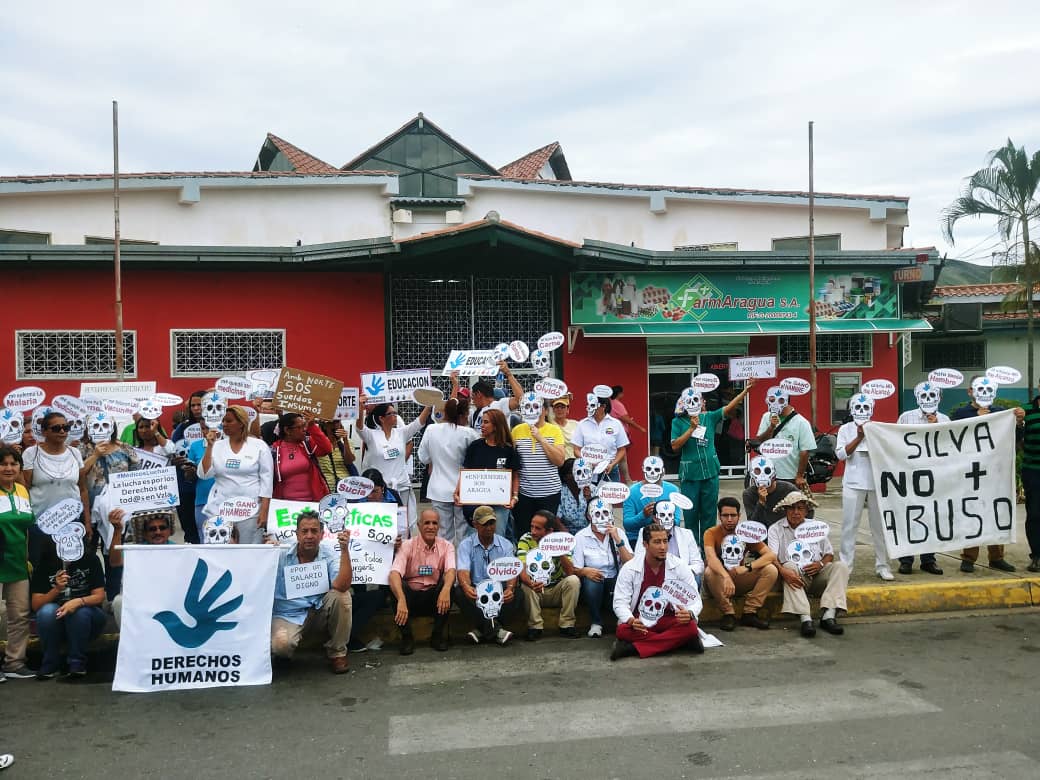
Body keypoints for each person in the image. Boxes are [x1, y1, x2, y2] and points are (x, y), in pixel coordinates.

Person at [269, 510, 353, 674]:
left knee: (342, 596)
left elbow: (342, 585)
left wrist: (344, 550)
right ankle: (284, 655)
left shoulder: (330, 554)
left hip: (317, 611)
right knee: (280, 646)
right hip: (288, 615)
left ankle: (338, 653)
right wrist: (263, 553)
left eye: (314, 531)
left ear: (322, 534)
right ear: (297, 534)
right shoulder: (279, 554)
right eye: (304, 531)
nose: (309, 536)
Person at [671, 381, 754, 544]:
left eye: (698, 400)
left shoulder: (709, 417)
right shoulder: (678, 422)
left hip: (710, 473)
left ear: (703, 402)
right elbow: (675, 446)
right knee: (690, 514)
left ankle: (708, 548)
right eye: (691, 401)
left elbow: (729, 408)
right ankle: (692, 549)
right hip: (690, 476)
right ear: (684, 403)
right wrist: (691, 429)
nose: (695, 404)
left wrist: (745, 391)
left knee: (709, 514)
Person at [953, 377, 1020, 573]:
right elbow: (953, 439)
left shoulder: (1000, 413)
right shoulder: (960, 414)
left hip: (994, 472)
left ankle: (997, 557)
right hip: (969, 471)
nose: (982, 392)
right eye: (978, 389)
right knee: (971, 511)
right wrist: (978, 418)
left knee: (996, 511)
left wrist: (1018, 422)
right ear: (970, 391)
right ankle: (968, 558)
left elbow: (1014, 440)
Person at [611, 524, 703, 660]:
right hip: (640, 620)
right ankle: (679, 642)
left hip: (669, 618)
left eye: (665, 541)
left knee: (690, 628)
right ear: (645, 544)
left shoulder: (679, 566)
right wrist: (630, 620)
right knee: (622, 630)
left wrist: (689, 613)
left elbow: (695, 600)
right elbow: (619, 602)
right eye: (657, 542)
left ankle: (632, 648)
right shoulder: (630, 568)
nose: (663, 547)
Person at [767, 491, 849, 638]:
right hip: (794, 576)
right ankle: (805, 618)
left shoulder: (815, 527)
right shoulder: (776, 529)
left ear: (806, 510)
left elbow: (829, 554)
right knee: (789, 566)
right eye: (791, 508)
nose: (796, 512)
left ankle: (829, 616)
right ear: (785, 510)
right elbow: (772, 557)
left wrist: (821, 564)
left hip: (817, 576)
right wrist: (783, 571)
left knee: (841, 567)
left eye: (800, 508)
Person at [836, 394, 894, 581]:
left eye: (865, 407)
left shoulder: (877, 428)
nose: (862, 411)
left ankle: (882, 565)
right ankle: (846, 566)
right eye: (858, 407)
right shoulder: (845, 429)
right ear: (852, 409)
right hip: (853, 482)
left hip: (876, 483)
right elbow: (841, 455)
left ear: (872, 409)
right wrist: (859, 437)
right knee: (849, 527)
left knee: (879, 527)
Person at [30, 536, 106, 678]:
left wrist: (78, 602)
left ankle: (77, 662)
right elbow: (36, 605)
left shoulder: (90, 559)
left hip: (88, 617)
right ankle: (50, 663)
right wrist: (57, 589)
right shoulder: (44, 565)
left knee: (79, 613)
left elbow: (99, 596)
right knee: (46, 612)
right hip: (56, 620)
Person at [21, 411, 89, 565]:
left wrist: (87, 522)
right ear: (45, 431)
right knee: (41, 567)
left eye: (66, 427)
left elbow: (83, 489)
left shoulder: (75, 453)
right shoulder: (31, 453)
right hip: (40, 523)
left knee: (71, 567)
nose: (63, 431)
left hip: (71, 521)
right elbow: (25, 488)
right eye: (57, 428)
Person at [894, 383, 948, 575]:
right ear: (917, 397)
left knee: (931, 517)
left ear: (939, 397)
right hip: (910, 475)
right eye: (923, 395)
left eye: (932, 394)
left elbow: (949, 448)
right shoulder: (905, 417)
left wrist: (937, 427)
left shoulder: (945, 420)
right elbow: (895, 443)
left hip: (934, 476)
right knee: (909, 516)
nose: (928, 398)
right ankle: (906, 559)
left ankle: (928, 559)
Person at [357, 397, 431, 536]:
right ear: (381, 418)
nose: (395, 416)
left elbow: (419, 422)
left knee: (402, 527)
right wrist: (360, 409)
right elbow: (359, 427)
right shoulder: (372, 436)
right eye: (391, 414)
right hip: (380, 493)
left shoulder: (401, 433)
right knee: (381, 527)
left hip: (401, 488)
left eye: (395, 413)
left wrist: (429, 403)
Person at [199, 405, 273, 545]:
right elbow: (204, 474)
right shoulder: (217, 445)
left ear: (241, 423)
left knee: (249, 552)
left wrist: (264, 510)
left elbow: (267, 480)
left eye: (229, 421)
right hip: (221, 508)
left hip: (250, 510)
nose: (224, 424)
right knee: (221, 552)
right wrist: (209, 447)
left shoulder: (259, 446)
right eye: (223, 421)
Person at [702, 497, 777, 630]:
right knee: (709, 571)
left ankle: (750, 612)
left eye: (733, 515)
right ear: (719, 516)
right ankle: (728, 613)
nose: (729, 519)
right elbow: (710, 558)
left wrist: (747, 567)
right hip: (718, 582)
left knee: (770, 570)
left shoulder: (746, 533)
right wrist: (725, 576)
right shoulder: (711, 533)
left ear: (739, 516)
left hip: (739, 577)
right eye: (725, 515)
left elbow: (770, 555)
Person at [388, 508, 456, 653]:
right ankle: (407, 638)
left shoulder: (447, 546)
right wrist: (401, 598)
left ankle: (437, 636)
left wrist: (445, 590)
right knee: (396, 588)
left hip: (433, 598)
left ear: (439, 526)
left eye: (434, 523)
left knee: (450, 587)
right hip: (410, 598)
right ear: (419, 526)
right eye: (426, 523)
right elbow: (394, 573)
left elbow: (451, 571)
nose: (430, 527)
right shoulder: (407, 545)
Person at [417, 397, 478, 547]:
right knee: (464, 531)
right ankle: (462, 566)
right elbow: (476, 459)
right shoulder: (468, 433)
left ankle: (446, 566)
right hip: (463, 489)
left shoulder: (432, 430)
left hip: (438, 489)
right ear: (463, 415)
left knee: (444, 533)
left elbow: (423, 457)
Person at [454, 505, 519, 645]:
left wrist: (510, 588)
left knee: (519, 594)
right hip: (477, 591)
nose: (489, 527)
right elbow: (463, 571)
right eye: (484, 524)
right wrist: (466, 587)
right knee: (459, 592)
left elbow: (511, 570)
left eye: (492, 523)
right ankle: (496, 631)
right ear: (475, 525)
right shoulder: (466, 545)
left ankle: (482, 630)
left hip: (498, 592)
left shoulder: (506, 544)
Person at [457, 408, 522, 540]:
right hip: (475, 504)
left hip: (500, 505)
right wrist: (457, 492)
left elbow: (515, 476)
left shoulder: (508, 450)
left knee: (498, 539)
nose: (482, 425)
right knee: (474, 539)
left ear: (496, 426)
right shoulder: (475, 446)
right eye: (481, 422)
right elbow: (466, 472)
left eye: (486, 422)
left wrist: (514, 497)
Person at [572, 498, 633, 637]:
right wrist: (586, 571)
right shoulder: (581, 537)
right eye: (597, 514)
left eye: (606, 513)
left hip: (615, 578)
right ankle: (596, 622)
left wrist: (618, 540)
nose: (602, 518)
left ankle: (622, 618)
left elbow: (630, 562)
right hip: (595, 579)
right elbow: (575, 568)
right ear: (589, 516)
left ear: (611, 514)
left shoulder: (619, 533)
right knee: (592, 584)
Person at [517, 509, 580, 640]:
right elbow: (521, 568)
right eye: (532, 526)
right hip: (535, 590)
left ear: (550, 531)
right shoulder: (526, 539)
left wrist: (558, 551)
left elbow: (570, 572)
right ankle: (535, 627)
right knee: (525, 586)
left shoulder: (560, 540)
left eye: (538, 528)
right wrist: (531, 583)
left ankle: (567, 625)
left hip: (556, 589)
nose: (533, 531)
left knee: (573, 580)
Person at [108, 508, 177, 627]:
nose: (158, 532)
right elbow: (115, 562)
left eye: (162, 527)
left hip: (170, 597)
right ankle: (129, 643)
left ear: (169, 530)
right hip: (141, 597)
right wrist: (118, 529)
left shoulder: (180, 550)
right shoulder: (135, 550)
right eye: (152, 529)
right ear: (144, 533)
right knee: (119, 602)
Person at [511, 394, 567, 539]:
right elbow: (512, 461)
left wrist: (540, 438)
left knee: (547, 534)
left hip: (549, 493)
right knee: (524, 533)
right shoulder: (517, 430)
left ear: (545, 411)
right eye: (528, 407)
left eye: (537, 407)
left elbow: (559, 461)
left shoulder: (554, 430)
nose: (533, 411)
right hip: (524, 494)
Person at [0, 446, 35, 680]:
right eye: (3, 464)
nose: (9, 468)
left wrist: (27, 558)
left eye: (14, 464)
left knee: (19, 615)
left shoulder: (22, 490)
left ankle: (14, 662)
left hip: (18, 563)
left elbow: (27, 527)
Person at [755, 385, 816, 493]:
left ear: (786, 400)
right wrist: (771, 427)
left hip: (790, 476)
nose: (774, 403)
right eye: (771, 400)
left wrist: (799, 476)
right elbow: (760, 440)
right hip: (768, 474)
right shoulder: (766, 417)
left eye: (778, 400)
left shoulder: (801, 422)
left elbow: (804, 451)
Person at [632, 501, 704, 584]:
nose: (667, 519)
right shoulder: (644, 532)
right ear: (655, 518)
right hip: (654, 576)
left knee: (696, 578)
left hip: (681, 579)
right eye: (662, 515)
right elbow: (638, 559)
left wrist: (681, 572)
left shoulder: (686, 534)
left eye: (670, 515)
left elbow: (698, 565)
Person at [271, 412, 333, 502]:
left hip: (314, 501)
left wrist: (312, 426)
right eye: (300, 427)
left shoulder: (307, 444)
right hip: (285, 505)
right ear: (287, 430)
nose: (305, 429)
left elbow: (327, 449)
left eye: (305, 426)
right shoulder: (274, 451)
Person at [171, 390, 207, 544]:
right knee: (191, 532)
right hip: (186, 487)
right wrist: (176, 460)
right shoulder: (181, 428)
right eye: (193, 405)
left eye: (200, 404)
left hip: (208, 488)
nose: (196, 408)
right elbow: (172, 451)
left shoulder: (221, 426)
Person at [622, 455, 679, 546]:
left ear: (663, 471)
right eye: (649, 469)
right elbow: (627, 524)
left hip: (666, 537)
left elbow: (677, 520)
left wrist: (665, 518)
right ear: (643, 469)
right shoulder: (632, 492)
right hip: (637, 538)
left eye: (657, 469)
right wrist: (643, 515)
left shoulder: (673, 490)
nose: (652, 473)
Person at [573, 392, 629, 482]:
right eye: (588, 404)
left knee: (611, 496)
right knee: (590, 496)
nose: (589, 407)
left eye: (593, 405)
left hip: (611, 469)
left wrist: (612, 464)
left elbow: (622, 450)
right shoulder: (582, 424)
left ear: (603, 406)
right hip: (588, 470)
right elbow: (576, 450)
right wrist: (587, 462)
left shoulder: (616, 424)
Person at [741, 456, 808, 528]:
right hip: (763, 534)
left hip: (785, 531)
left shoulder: (788, 489)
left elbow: (808, 510)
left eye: (767, 471)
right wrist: (761, 503)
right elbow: (753, 525)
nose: (762, 476)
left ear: (774, 474)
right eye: (757, 471)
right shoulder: (748, 494)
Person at [457, 363, 523, 430]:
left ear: (479, 394)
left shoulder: (500, 405)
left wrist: (508, 374)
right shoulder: (475, 413)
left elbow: (520, 400)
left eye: (473, 397)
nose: (473, 401)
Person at [610, 385, 646, 483]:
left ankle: (626, 479)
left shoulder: (609, 403)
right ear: (619, 393)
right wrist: (640, 428)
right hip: (619, 434)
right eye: (622, 393)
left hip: (612, 434)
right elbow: (625, 418)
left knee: (619, 457)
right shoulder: (617, 404)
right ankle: (627, 480)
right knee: (622, 457)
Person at [1022, 394, 1040, 573]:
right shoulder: (1025, 410)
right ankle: (1036, 556)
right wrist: (1019, 423)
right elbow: (1018, 438)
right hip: (1033, 471)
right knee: (1034, 514)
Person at [317, 419, 358, 487]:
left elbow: (349, 461)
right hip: (325, 487)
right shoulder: (318, 443)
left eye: (337, 421)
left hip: (345, 487)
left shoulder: (348, 443)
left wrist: (345, 440)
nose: (335, 425)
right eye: (331, 422)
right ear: (325, 426)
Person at [557, 458, 593, 535]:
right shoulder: (560, 492)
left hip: (590, 533)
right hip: (567, 534)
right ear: (565, 476)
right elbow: (557, 519)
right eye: (575, 472)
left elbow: (598, 518)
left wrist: (589, 500)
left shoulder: (592, 489)